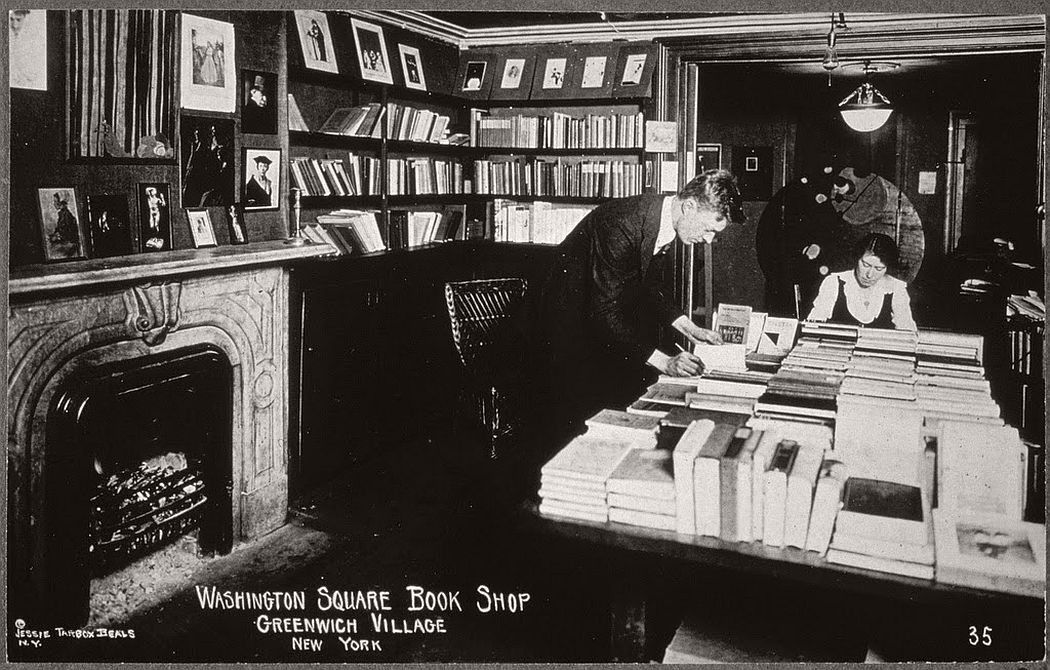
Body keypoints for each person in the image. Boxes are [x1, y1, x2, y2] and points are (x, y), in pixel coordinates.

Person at [532, 169, 746, 440]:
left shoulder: (664, 220)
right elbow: (604, 311)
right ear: (689, 206)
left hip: (594, 324)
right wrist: (666, 362)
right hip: (561, 332)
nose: (708, 240)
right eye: (708, 229)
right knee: (586, 426)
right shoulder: (623, 224)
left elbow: (650, 287)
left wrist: (691, 329)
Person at [806, 232, 916, 330]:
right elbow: (813, 326)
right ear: (857, 258)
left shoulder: (896, 289)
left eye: (878, 268)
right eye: (865, 265)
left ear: (887, 268)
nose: (869, 274)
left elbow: (907, 332)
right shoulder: (834, 283)